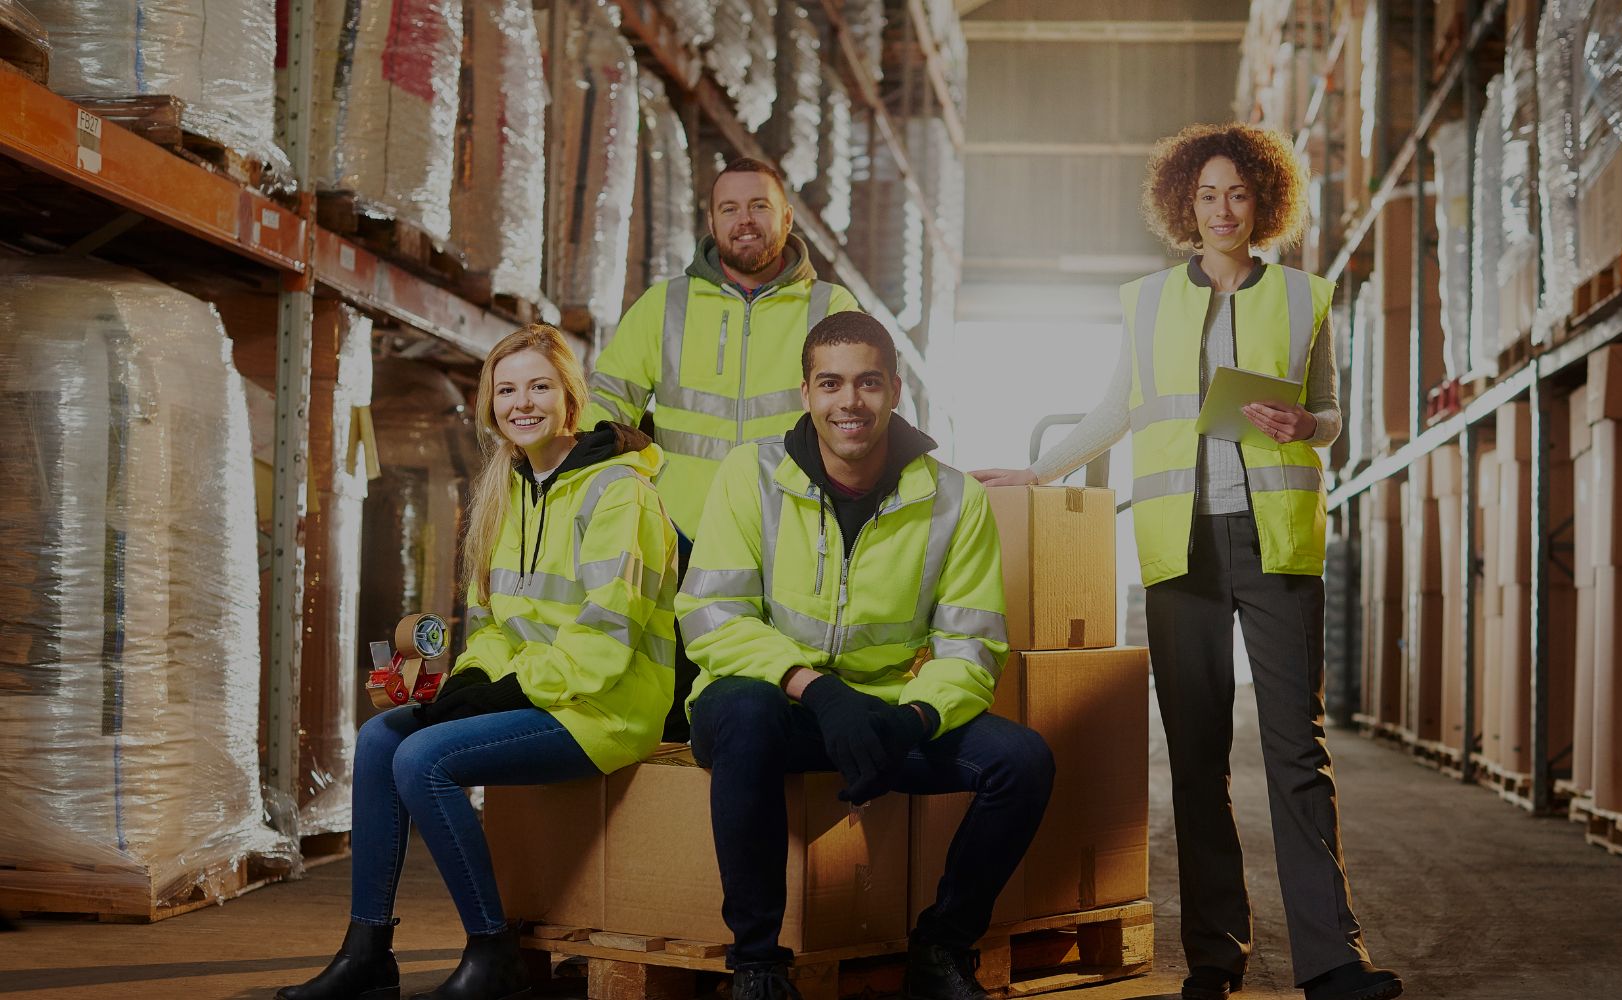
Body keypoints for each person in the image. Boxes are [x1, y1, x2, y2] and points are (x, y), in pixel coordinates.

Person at [973, 123, 1404, 1000]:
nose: (1222, 210)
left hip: (1277, 545)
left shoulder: (1304, 297)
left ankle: (1332, 959)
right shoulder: (1146, 302)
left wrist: (1306, 427)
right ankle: (1215, 956)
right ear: (1184, 203)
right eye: (1207, 195)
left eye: (1238, 194)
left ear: (1264, 203)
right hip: (1180, 547)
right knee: (1197, 756)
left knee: (1295, 752)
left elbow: (1333, 416)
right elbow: (1113, 411)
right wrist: (1039, 470)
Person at [279, 325, 679, 1000]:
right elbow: (491, 621)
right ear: (491, 402)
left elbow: (604, 642)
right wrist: (471, 678)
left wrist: (503, 692)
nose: (522, 403)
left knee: (423, 759)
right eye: (507, 389)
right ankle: (367, 951)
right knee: (381, 738)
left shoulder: (619, 493)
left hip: (603, 707)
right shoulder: (505, 489)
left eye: (539, 387)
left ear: (571, 398)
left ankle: (491, 952)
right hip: (536, 694)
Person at [678, 312, 1054, 1000]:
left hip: (884, 721)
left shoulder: (953, 499)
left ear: (895, 391)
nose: (849, 402)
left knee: (1023, 761)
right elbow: (712, 615)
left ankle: (940, 947)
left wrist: (912, 720)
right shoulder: (750, 474)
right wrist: (815, 690)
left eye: (867, 383)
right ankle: (758, 963)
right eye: (831, 384)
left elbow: (972, 647)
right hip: (778, 711)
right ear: (806, 394)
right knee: (742, 710)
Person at [583, 157, 861, 741]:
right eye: (730, 208)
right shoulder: (667, 305)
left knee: (767, 693)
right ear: (711, 221)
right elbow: (605, 401)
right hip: (678, 537)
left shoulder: (830, 309)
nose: (745, 220)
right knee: (673, 698)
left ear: (786, 217)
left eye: (760, 206)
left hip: (787, 535)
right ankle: (673, 822)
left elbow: (860, 417)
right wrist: (624, 486)